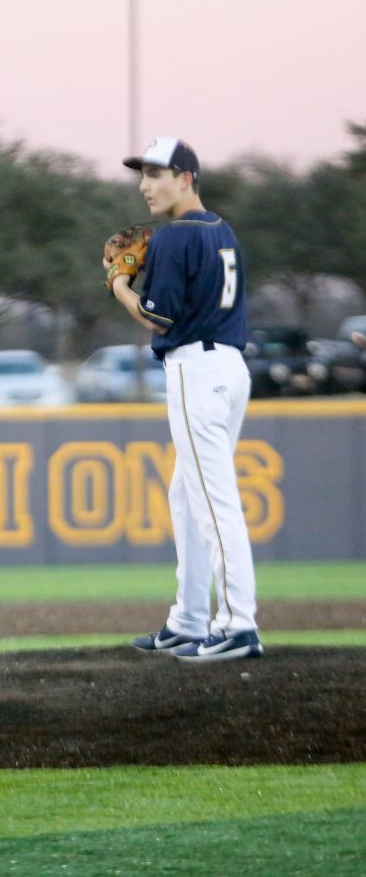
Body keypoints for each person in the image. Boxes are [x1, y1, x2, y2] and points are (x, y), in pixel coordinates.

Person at [104, 136, 262, 662]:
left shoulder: (174, 238)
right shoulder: (221, 228)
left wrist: (120, 284)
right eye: (142, 176)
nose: (146, 186)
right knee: (187, 496)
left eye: (156, 175)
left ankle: (239, 625)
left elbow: (158, 317)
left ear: (186, 178)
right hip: (228, 368)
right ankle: (189, 619)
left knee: (214, 504)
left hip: (197, 370)